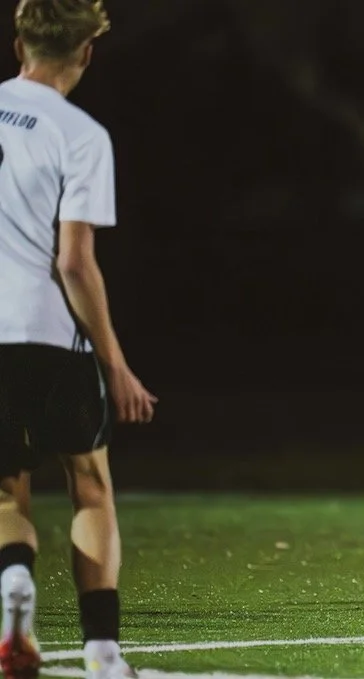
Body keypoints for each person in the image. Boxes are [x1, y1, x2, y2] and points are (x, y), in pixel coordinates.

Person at [0, 1, 156, 676]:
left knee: (6, 492)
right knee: (90, 485)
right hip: (49, 334)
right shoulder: (82, 134)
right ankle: (101, 650)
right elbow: (73, 260)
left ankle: (14, 585)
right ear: (85, 54)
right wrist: (114, 362)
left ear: (18, 45)